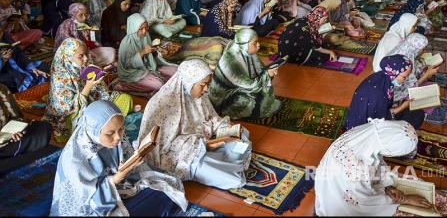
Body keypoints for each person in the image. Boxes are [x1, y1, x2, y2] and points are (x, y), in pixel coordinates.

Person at [50, 100, 188, 216]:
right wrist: (118, 177)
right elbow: (89, 202)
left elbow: (129, 163)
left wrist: (133, 161)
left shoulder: (117, 138)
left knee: (166, 188)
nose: (118, 137)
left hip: (118, 187)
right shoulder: (75, 160)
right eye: (110, 133)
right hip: (95, 205)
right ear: (93, 131)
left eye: (121, 129)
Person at [137, 59, 252, 189]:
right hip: (184, 157)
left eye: (208, 84)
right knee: (235, 180)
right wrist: (205, 144)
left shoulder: (198, 95)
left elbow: (210, 117)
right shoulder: (161, 105)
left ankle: (225, 159)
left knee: (242, 135)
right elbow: (162, 148)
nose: (206, 89)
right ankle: (225, 162)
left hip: (204, 142)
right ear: (189, 82)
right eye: (203, 85)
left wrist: (225, 127)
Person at [315, 118, 447, 216]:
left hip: (344, 183)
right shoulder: (357, 170)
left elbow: (375, 163)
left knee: (412, 183)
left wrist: (388, 187)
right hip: (343, 202)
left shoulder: (370, 133)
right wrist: (403, 199)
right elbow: (362, 201)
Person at [44, 38, 132, 143]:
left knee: (126, 99)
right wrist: (88, 86)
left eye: (86, 54)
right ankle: (101, 123)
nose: (86, 58)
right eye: (80, 56)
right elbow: (65, 109)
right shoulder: (60, 75)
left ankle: (103, 122)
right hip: (72, 113)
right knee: (79, 121)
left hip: (91, 101)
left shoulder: (84, 65)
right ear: (68, 57)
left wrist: (98, 80)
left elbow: (101, 93)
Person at [208, 28, 281, 119]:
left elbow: (260, 73)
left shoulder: (248, 53)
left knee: (262, 96)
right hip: (223, 98)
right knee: (246, 102)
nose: (258, 45)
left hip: (242, 88)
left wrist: (270, 72)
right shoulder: (231, 60)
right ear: (245, 44)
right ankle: (226, 111)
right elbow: (251, 85)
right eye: (254, 43)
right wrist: (267, 75)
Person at [345, 54, 425, 131]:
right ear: (394, 74)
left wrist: (397, 105)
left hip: (377, 114)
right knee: (414, 119)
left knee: (417, 113)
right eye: (404, 77)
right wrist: (401, 107)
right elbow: (377, 120)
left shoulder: (383, 78)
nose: (406, 79)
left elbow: (385, 105)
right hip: (364, 128)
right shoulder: (377, 93)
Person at [114, 13, 177, 95]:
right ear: (134, 28)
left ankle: (153, 77)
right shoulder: (126, 43)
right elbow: (127, 65)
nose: (144, 31)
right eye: (141, 29)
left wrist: (156, 51)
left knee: (175, 70)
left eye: (146, 27)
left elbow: (150, 55)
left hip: (149, 67)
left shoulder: (145, 35)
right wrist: (142, 52)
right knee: (159, 84)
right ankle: (124, 85)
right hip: (133, 72)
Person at [0, 84, 51, 159]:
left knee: (44, 128)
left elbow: (17, 117)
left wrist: (18, 129)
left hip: (10, 135)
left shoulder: (2, 89)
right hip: (3, 145)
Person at [389, 33, 439, 105]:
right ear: (415, 49)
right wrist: (427, 74)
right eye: (422, 49)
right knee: (431, 92)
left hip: (391, 85)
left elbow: (414, 65)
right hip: (394, 94)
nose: (423, 51)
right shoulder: (405, 63)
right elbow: (411, 87)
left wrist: (424, 65)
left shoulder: (403, 49)